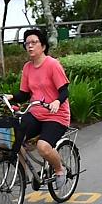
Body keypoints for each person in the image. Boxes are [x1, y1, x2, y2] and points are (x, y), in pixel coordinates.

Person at [12, 27, 70, 190]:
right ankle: (23, 175)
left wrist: (57, 102)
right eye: (27, 43)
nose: (29, 46)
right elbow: (24, 94)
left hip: (56, 116)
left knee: (43, 147)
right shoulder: (27, 68)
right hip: (36, 113)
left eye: (33, 42)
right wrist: (12, 97)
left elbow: (64, 91)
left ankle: (59, 170)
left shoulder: (52, 65)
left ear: (43, 46)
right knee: (14, 138)